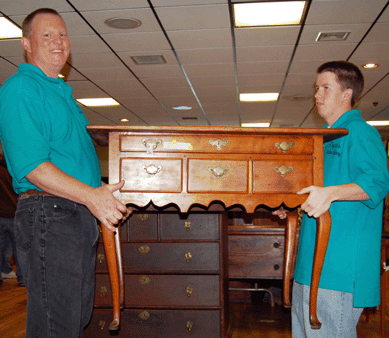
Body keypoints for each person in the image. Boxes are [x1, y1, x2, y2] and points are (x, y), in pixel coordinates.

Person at [0, 8, 131, 338]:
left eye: (62, 34)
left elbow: (71, 161)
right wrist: (92, 196)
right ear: (26, 43)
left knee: (74, 317)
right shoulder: (21, 89)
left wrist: (101, 193)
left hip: (74, 216)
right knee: (55, 325)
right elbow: (32, 167)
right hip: (50, 214)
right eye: (47, 35)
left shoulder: (60, 94)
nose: (58, 41)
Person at [274, 60, 389, 337]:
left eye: (326, 87)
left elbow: (377, 183)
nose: (317, 95)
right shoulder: (324, 140)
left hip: (339, 269)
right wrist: (295, 206)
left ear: (347, 93)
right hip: (309, 268)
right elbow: (321, 195)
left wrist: (330, 193)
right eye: (316, 88)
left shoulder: (360, 132)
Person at [0, 154, 24, 287]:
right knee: (20, 249)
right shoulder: (16, 170)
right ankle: (22, 279)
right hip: (16, 214)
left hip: (0, 215)